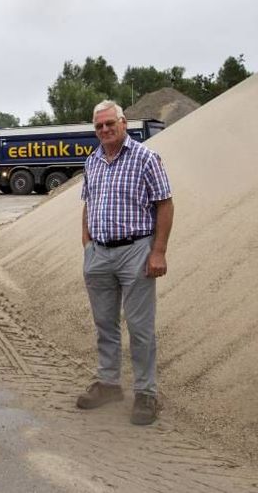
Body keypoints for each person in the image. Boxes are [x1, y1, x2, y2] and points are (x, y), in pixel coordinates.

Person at [76, 100, 174, 425]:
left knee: (140, 327)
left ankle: (146, 393)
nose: (104, 130)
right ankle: (108, 384)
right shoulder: (92, 161)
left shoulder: (146, 158)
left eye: (109, 124)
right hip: (99, 254)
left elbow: (165, 204)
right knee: (105, 325)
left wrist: (158, 252)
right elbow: (88, 204)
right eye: (99, 126)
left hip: (136, 251)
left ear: (123, 123)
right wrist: (88, 244)